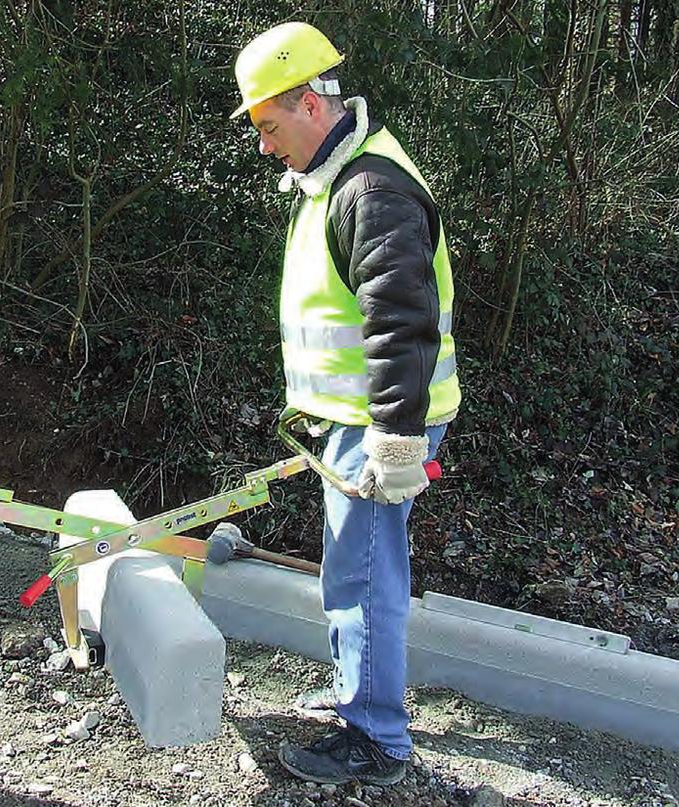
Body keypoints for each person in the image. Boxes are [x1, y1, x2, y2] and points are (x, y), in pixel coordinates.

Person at [230, 22, 461, 786]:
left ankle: (376, 738)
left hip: (381, 420)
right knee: (354, 569)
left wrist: (396, 440)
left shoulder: (372, 189)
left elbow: (400, 322)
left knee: (363, 575)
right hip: (359, 416)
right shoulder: (342, 182)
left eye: (269, 125)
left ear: (311, 105)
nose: (264, 145)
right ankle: (357, 699)